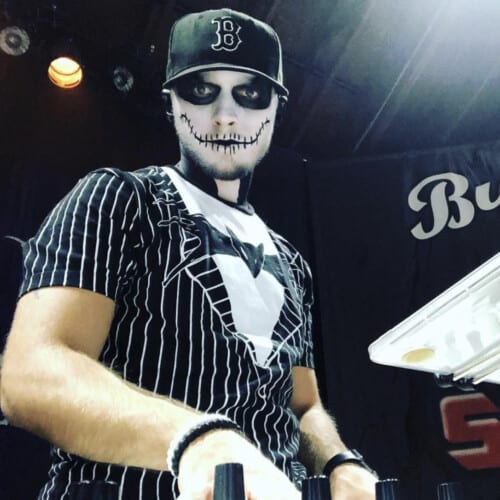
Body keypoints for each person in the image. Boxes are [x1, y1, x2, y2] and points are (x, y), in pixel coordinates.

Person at [0, 8, 377, 500]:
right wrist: (199, 441)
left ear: (276, 110)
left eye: (250, 94)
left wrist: (339, 462)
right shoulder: (120, 199)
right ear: (171, 104)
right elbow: (30, 373)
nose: (226, 115)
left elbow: (303, 406)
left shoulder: (292, 263)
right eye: (201, 91)